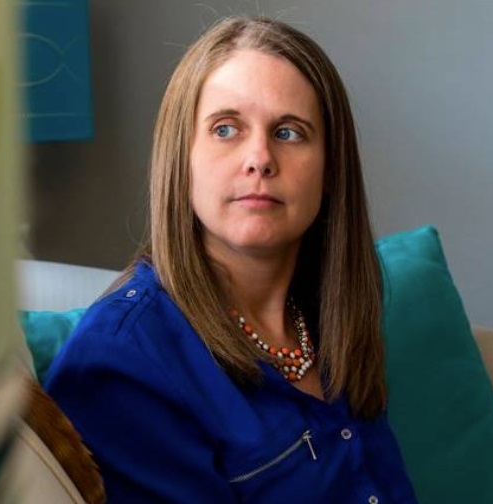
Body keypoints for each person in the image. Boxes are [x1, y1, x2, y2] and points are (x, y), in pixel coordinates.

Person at [45, 15, 419, 504]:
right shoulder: (121, 363)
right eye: (226, 129)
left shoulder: (332, 315)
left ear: (329, 171)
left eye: (289, 132)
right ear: (181, 160)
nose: (259, 157)